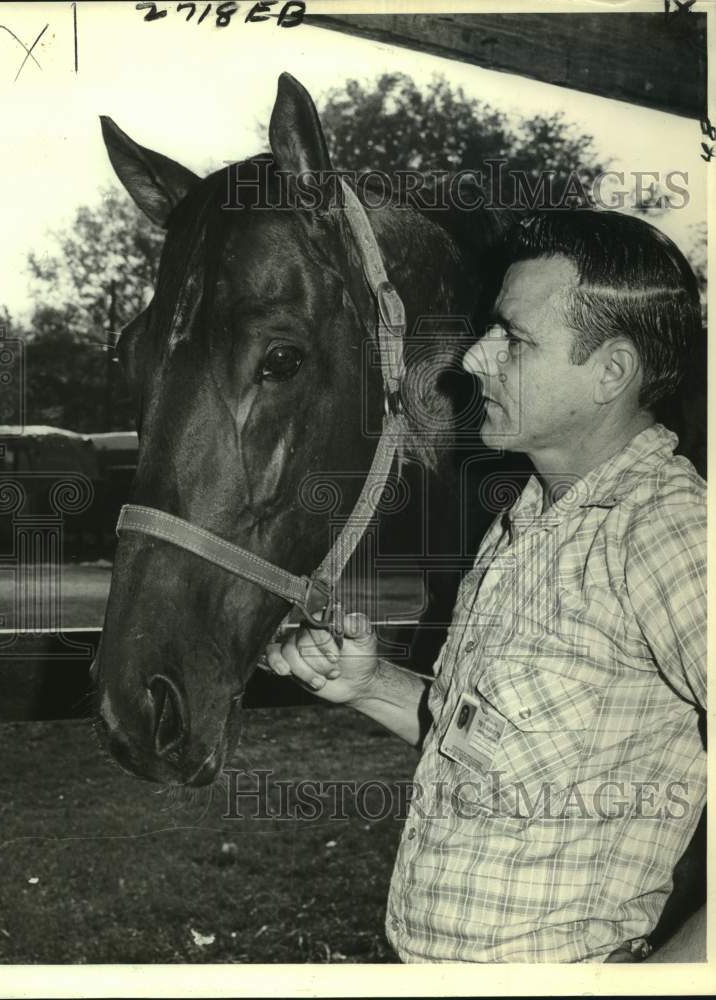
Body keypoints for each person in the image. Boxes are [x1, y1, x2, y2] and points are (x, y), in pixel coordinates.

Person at [265, 209, 707, 963]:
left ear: (611, 372)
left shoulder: (670, 533)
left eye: (515, 339)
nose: (473, 359)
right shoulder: (524, 521)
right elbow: (493, 741)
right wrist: (371, 685)